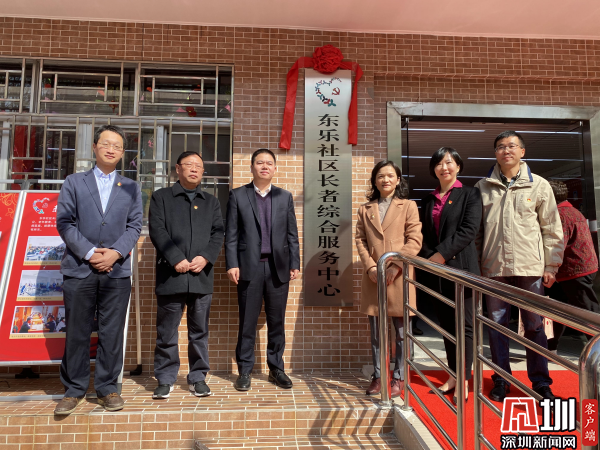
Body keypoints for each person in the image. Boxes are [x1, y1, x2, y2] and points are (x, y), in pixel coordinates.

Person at [55, 124, 143, 415]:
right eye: (105, 144)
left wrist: (115, 253)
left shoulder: (130, 187)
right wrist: (91, 253)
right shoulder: (74, 182)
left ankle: (107, 388)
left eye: (117, 146)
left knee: (111, 332)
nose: (111, 149)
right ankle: (74, 389)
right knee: (77, 331)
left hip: (116, 271)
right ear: (94, 147)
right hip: (80, 267)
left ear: (122, 152)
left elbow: (134, 226)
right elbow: (65, 223)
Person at [475, 131, 564, 402]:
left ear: (522, 151)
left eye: (512, 146)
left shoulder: (539, 185)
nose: (506, 150)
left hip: (530, 268)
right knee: (497, 325)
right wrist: (477, 267)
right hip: (494, 269)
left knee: (535, 326)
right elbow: (477, 233)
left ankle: (541, 382)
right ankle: (501, 380)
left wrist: (551, 265)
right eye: (500, 147)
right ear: (495, 153)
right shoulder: (482, 187)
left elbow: (551, 228)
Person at [148, 151, 224, 399]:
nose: (194, 169)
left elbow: (218, 233)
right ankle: (165, 378)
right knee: (167, 331)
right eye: (189, 164)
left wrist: (206, 257)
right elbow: (157, 230)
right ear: (177, 169)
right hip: (171, 275)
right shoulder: (161, 197)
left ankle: (198, 377)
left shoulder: (211, 201)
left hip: (201, 275)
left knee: (199, 331)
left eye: (198, 166)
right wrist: (175, 258)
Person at [225, 148, 300, 391]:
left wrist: (295, 263)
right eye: (260, 162)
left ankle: (276, 368)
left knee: (277, 321)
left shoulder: (284, 197)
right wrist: (232, 263)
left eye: (269, 163)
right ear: (252, 167)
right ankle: (245, 371)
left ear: (275, 168)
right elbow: (231, 234)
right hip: (250, 267)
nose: (264, 166)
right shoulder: (238, 195)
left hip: (278, 268)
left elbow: (292, 234)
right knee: (247, 321)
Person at [355, 160, 422, 397]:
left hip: (400, 277)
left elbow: (415, 240)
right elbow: (360, 240)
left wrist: (396, 265)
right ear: (375, 181)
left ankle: (399, 377)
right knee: (377, 333)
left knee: (402, 333)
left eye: (390, 176)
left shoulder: (408, 206)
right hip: (374, 278)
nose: (385, 180)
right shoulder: (365, 209)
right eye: (381, 176)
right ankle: (378, 375)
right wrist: (371, 267)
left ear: (398, 180)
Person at [419, 148, 481, 405]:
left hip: (461, 270)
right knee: (446, 326)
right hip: (437, 273)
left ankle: (464, 378)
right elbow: (423, 235)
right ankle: (453, 375)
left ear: (458, 166)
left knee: (464, 326)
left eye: (449, 163)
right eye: (439, 164)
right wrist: (429, 258)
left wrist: (440, 255)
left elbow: (469, 230)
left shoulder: (470, 194)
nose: (444, 168)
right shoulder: (428, 200)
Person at [545, 180, 600, 351]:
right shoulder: (573, 211)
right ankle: (550, 347)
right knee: (558, 309)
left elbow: (557, 245)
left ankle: (597, 351)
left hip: (574, 270)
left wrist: (549, 267)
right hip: (580, 268)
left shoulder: (559, 215)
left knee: (587, 312)